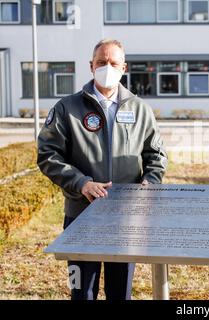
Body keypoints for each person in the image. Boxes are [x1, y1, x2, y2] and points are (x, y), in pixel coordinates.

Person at [38, 39, 168, 300]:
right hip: (81, 217)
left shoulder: (140, 109)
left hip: (125, 219)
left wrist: (149, 183)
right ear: (91, 66)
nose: (106, 68)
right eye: (101, 63)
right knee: (82, 292)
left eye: (113, 63)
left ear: (124, 68)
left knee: (120, 293)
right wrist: (81, 183)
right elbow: (47, 155)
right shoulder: (67, 108)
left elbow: (156, 155)